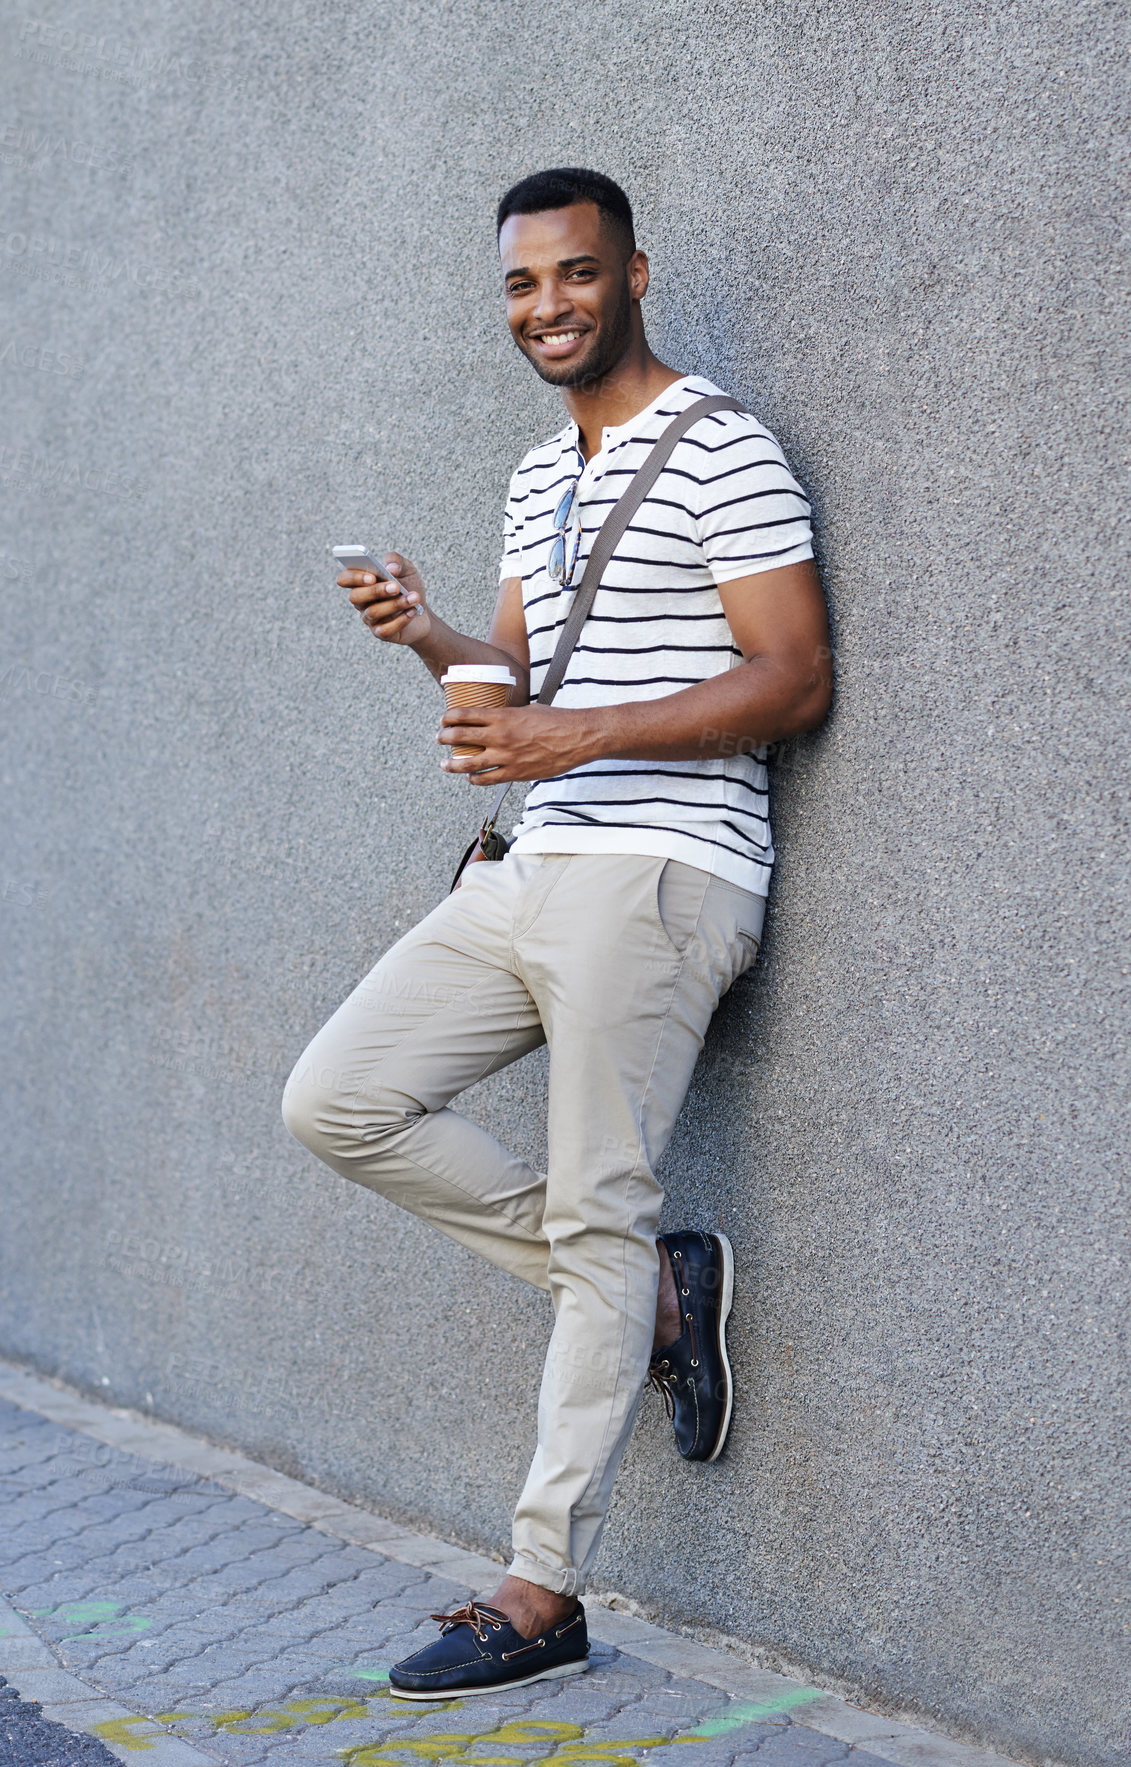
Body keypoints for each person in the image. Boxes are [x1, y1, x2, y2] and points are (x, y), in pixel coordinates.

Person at [282, 167, 832, 1699]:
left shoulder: (726, 447)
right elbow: (514, 678)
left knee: (602, 1204)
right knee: (336, 1099)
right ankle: (651, 1294)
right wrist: (431, 632)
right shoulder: (541, 475)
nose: (547, 308)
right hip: (527, 868)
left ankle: (541, 1587)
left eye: (575, 277)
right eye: (522, 287)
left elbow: (792, 677)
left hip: (663, 871)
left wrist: (571, 742)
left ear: (633, 274)